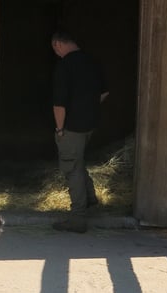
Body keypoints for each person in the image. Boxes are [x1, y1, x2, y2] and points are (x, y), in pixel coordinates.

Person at [50, 31, 109, 233]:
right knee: (79, 160)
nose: (56, 53)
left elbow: (59, 104)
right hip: (90, 124)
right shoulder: (92, 61)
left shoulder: (65, 66)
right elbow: (104, 92)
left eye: (54, 49)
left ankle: (77, 218)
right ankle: (90, 199)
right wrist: (89, 108)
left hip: (72, 126)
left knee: (71, 167)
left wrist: (59, 129)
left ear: (58, 44)